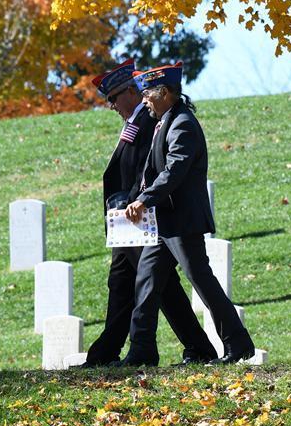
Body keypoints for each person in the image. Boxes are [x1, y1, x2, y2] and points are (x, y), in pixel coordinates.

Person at [84, 58, 218, 367]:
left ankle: (195, 347)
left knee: (160, 286)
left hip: (139, 217)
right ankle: (105, 353)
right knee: (121, 284)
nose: (111, 105)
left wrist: (136, 203)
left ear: (132, 91)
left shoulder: (149, 119)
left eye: (114, 97)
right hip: (126, 220)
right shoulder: (137, 121)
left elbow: (149, 170)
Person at [124, 62, 255, 366]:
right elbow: (153, 170)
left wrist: (145, 199)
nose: (144, 100)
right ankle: (141, 351)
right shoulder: (164, 121)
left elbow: (174, 172)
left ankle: (238, 344)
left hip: (182, 222)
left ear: (166, 93)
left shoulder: (182, 123)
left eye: (148, 94)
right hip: (163, 224)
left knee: (202, 281)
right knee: (145, 283)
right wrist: (137, 199)